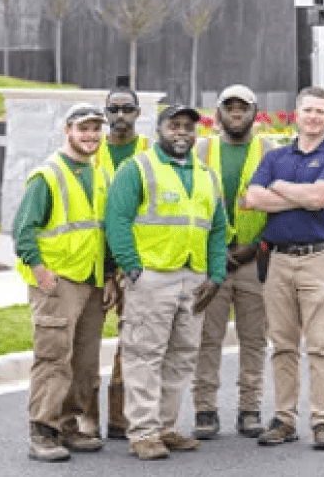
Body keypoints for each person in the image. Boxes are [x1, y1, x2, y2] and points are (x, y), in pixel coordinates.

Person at [104, 102, 228, 460]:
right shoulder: (138, 169)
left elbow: (217, 230)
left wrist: (216, 275)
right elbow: (117, 219)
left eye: (189, 127)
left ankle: (166, 427)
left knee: (182, 356)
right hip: (151, 277)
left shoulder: (207, 175)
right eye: (174, 125)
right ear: (159, 129)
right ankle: (142, 433)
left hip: (194, 279)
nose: (182, 133)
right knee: (144, 356)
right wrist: (131, 268)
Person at [245, 86, 324, 451]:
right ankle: (283, 419)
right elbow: (252, 198)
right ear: (296, 114)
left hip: (320, 260)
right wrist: (298, 194)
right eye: (307, 110)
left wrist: (278, 188)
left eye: (320, 112)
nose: (313, 117)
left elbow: (320, 198)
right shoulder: (276, 156)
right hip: (278, 260)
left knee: (322, 345)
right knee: (283, 345)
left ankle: (322, 422)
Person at [13, 103, 119, 462]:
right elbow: (23, 230)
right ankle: (43, 430)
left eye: (95, 129)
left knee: (85, 362)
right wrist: (41, 272)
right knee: (54, 358)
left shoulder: (100, 175)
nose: (91, 136)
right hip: (57, 283)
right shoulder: (47, 175)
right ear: (67, 131)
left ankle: (70, 425)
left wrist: (106, 276)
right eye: (83, 129)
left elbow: (102, 232)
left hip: (90, 282)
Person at [192, 85, 275, 440]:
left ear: (255, 112)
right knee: (206, 339)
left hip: (255, 261)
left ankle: (250, 410)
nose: (236, 112)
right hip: (212, 263)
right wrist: (215, 255)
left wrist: (254, 247)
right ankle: (205, 411)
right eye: (230, 106)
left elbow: (279, 205)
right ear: (219, 112)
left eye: (244, 106)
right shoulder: (201, 149)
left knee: (253, 340)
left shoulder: (270, 152)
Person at [81, 85, 150, 441]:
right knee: (87, 344)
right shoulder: (90, 156)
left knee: (133, 344)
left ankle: (121, 419)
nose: (120, 116)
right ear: (105, 113)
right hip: (93, 264)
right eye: (113, 109)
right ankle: (86, 418)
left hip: (134, 264)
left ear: (138, 113)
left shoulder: (151, 153)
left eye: (127, 109)